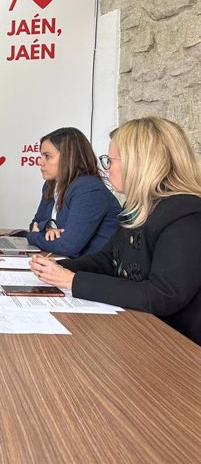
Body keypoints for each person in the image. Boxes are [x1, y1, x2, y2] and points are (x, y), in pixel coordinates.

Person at [30, 117, 201, 345]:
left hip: (176, 346)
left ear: (139, 162)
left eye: (110, 161)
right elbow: (108, 259)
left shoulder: (186, 215)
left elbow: (163, 295)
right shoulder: (138, 207)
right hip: (140, 330)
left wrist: (73, 281)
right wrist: (57, 269)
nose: (107, 169)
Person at [26, 127, 121, 257]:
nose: (40, 162)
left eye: (47, 156)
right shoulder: (50, 185)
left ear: (69, 157)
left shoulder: (89, 190)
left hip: (93, 272)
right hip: (68, 263)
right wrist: (49, 228)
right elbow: (35, 223)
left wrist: (34, 236)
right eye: (41, 155)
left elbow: (68, 247)